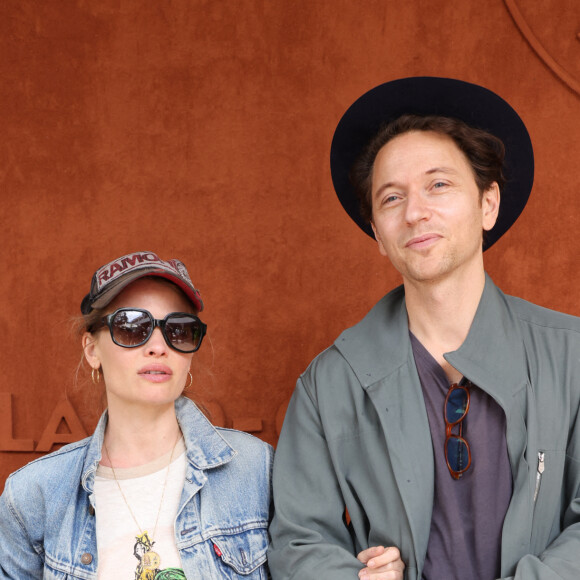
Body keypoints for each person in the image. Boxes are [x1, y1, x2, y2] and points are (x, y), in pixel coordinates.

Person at [268, 77, 580, 580]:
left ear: (488, 204)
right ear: (377, 233)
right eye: (391, 198)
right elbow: (298, 542)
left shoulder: (572, 356)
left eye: (438, 184)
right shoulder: (329, 385)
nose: (415, 212)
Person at [0, 251, 273, 579]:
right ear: (92, 350)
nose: (159, 346)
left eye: (178, 330)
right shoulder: (34, 495)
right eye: (132, 326)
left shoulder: (257, 469)